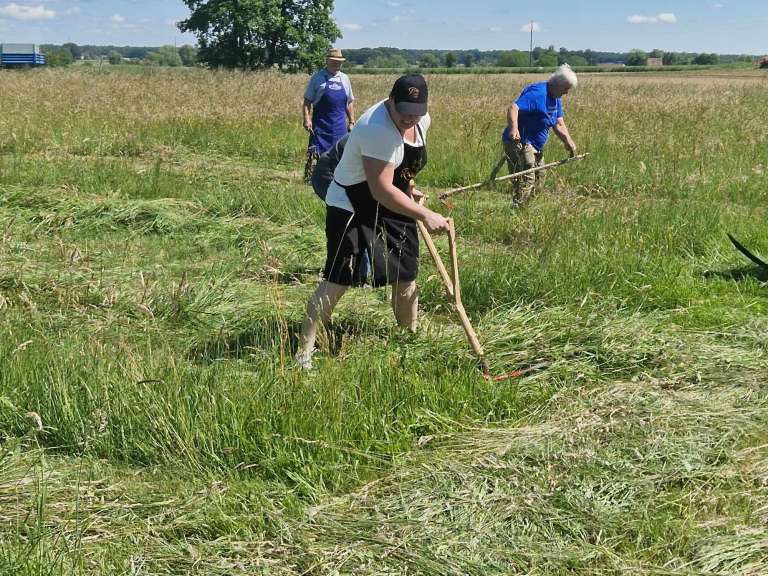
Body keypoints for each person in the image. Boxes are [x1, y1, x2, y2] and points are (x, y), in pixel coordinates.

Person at [295, 74, 450, 370]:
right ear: (390, 100)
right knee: (339, 278)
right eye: (403, 110)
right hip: (352, 201)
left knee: (406, 272)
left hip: (390, 196)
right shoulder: (377, 128)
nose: (409, 118)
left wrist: (410, 186)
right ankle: (304, 353)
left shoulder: (421, 120)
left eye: (416, 112)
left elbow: (400, 167)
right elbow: (380, 188)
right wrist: (425, 214)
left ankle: (409, 341)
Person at [502, 64, 578, 206]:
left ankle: (526, 208)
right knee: (526, 178)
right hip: (521, 141)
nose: (567, 92)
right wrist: (514, 128)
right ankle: (517, 209)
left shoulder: (556, 98)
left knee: (539, 179)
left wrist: (568, 141)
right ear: (557, 84)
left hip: (537, 145)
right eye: (566, 89)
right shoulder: (538, 93)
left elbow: (558, 123)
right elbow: (514, 107)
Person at [302, 48, 356, 183]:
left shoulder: (345, 79)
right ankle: (311, 179)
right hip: (320, 125)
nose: (336, 64)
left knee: (340, 154)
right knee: (316, 153)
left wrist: (351, 121)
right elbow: (307, 101)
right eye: (333, 62)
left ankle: (336, 179)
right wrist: (307, 119)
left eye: (339, 62)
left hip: (339, 126)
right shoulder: (317, 77)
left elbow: (349, 102)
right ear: (327, 61)